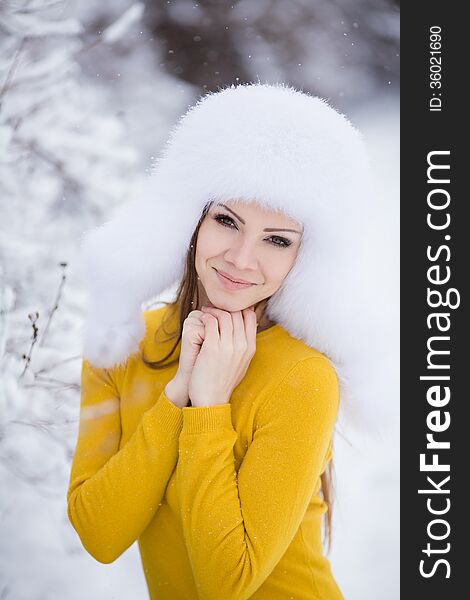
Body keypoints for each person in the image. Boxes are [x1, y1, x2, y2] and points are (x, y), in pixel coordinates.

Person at [68, 83, 383, 599]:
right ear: (192, 220)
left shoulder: (303, 377)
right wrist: (177, 396)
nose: (241, 258)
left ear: (305, 258)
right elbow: (99, 534)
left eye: (277, 239)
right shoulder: (124, 343)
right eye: (226, 221)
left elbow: (226, 584)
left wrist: (208, 407)